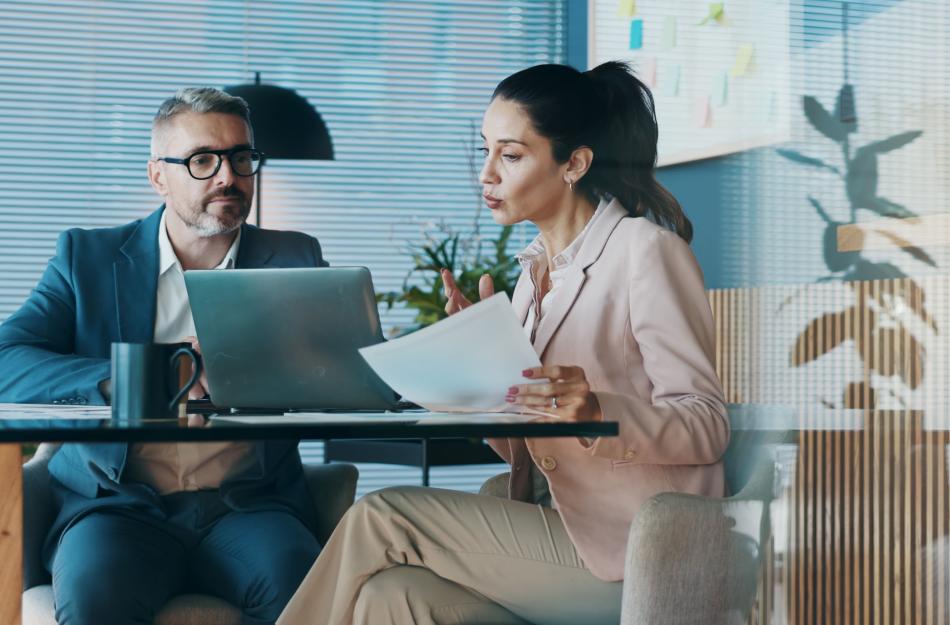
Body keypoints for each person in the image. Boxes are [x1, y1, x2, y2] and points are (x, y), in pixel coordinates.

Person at [276, 61, 729, 625]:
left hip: (635, 552)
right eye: (486, 150)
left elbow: (707, 423)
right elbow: (523, 444)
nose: (486, 174)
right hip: (550, 529)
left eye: (510, 156)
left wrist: (597, 411)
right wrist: (478, 364)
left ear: (574, 164)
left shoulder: (644, 252)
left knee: (382, 515)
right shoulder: (532, 278)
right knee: (386, 597)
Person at [0, 87, 328, 625]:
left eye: (241, 158)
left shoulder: (295, 257)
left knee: (301, 586)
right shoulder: (87, 258)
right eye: (203, 160)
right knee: (93, 594)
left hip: (248, 503)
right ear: (158, 176)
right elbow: (7, 360)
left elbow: (344, 371)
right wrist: (136, 375)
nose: (228, 176)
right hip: (115, 503)